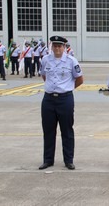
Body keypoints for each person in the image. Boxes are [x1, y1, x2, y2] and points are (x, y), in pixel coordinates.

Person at [38, 36, 84, 170]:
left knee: (67, 130)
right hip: (48, 99)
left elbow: (80, 79)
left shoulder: (71, 61)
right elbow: (44, 76)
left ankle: (68, 160)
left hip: (65, 99)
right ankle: (48, 160)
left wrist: (67, 88)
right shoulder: (46, 60)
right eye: (55, 46)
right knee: (48, 130)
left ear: (64, 47)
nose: (57, 48)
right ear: (52, 47)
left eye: (60, 46)